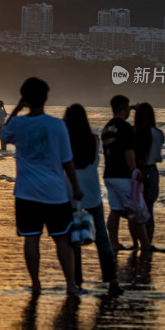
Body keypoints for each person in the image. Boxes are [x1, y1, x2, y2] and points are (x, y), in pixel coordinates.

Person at [1, 77, 83, 296]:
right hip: (55, 193)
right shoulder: (57, 125)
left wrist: (17, 109)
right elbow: (67, 161)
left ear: (25, 98)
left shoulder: (18, 124)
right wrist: (76, 187)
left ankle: (36, 284)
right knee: (62, 238)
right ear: (46, 97)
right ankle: (71, 285)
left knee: (31, 237)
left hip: (26, 192)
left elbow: (4, 135)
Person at [64, 104, 121, 295]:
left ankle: (77, 281)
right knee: (102, 238)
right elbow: (95, 163)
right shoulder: (93, 140)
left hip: (69, 195)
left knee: (74, 239)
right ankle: (112, 279)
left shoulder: (64, 141)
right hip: (92, 193)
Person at [101, 94, 150, 254]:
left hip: (109, 175)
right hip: (123, 176)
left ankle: (114, 243)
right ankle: (145, 244)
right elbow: (128, 152)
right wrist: (135, 171)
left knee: (115, 210)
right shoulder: (125, 128)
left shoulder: (107, 127)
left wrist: (131, 107)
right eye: (127, 108)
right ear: (124, 108)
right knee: (136, 210)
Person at [134, 102, 165, 247]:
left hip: (137, 170)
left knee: (136, 209)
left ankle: (138, 243)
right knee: (149, 209)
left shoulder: (134, 132)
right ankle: (148, 244)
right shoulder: (159, 134)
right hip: (152, 171)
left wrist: (133, 109)